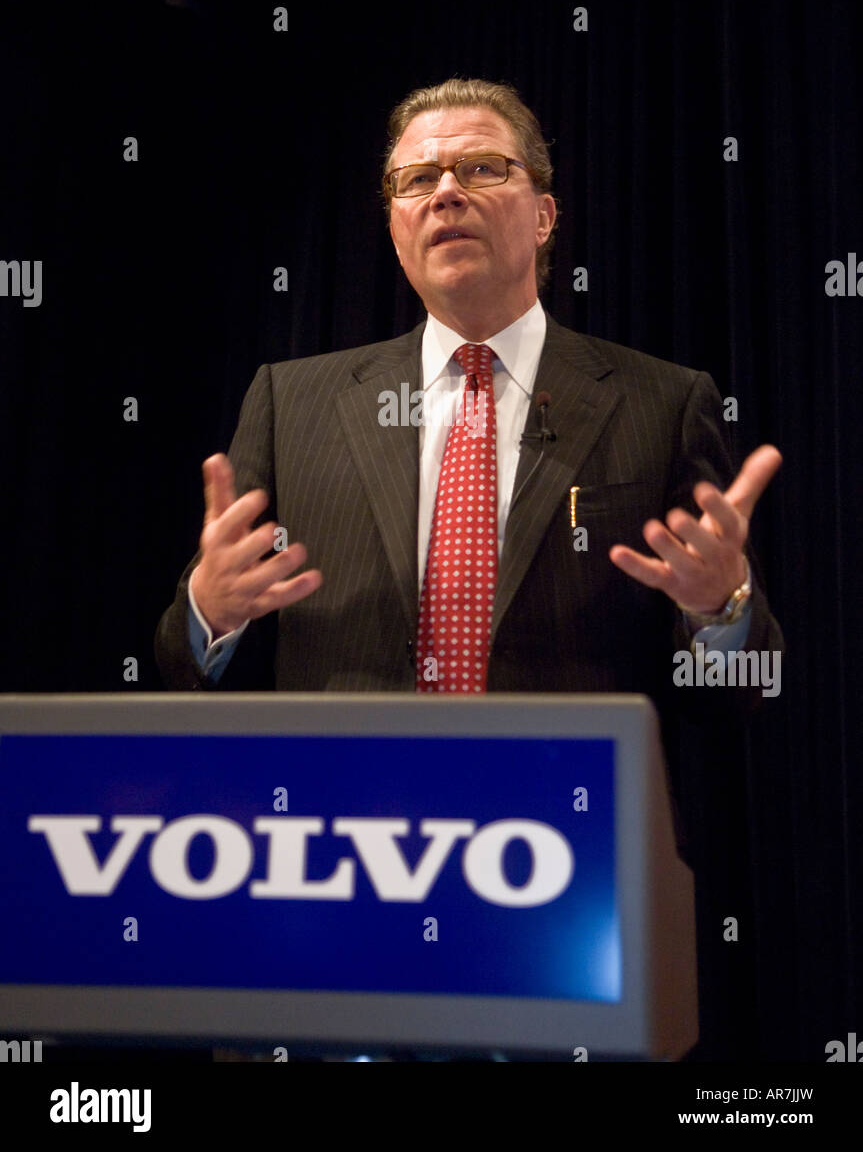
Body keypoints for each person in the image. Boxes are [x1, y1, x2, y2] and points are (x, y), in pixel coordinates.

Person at [155, 78, 783, 756]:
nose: (445, 192)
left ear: (543, 216)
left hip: (568, 824)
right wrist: (210, 611)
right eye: (416, 179)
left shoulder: (662, 402)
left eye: (482, 168)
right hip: (344, 823)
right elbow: (183, 671)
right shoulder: (291, 401)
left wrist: (718, 609)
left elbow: (737, 695)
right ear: (396, 232)